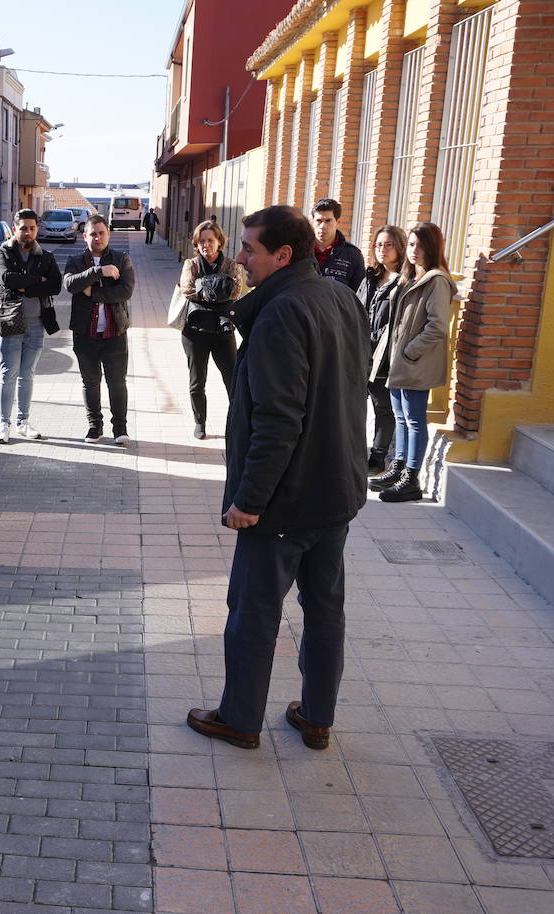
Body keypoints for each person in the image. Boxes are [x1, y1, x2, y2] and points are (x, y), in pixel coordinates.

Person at [186, 205, 369, 752]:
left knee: (252, 613)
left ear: (283, 255)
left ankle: (240, 719)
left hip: (285, 502)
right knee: (325, 610)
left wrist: (249, 499)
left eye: (249, 249)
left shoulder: (280, 313)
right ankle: (317, 718)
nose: (240, 257)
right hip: (335, 491)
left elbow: (277, 419)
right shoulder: (340, 297)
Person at [370, 221, 454, 503]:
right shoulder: (410, 277)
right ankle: (399, 467)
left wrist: (409, 352)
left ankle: (411, 479)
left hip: (413, 362)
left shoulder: (436, 280)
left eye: (420, 245)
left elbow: (438, 326)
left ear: (432, 247)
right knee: (401, 418)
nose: (413, 250)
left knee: (415, 420)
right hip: (399, 361)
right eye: (412, 244)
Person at [0, 209, 63, 444]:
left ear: (37, 229)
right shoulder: (2, 252)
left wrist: (26, 286)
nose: (28, 232)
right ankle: (4, 424)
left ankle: (23, 422)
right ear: (15, 228)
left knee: (27, 374)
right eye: (23, 227)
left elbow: (55, 285)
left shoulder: (45, 256)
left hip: (37, 323)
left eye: (32, 228)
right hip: (11, 321)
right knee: (8, 373)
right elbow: (6, 279)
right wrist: (37, 281)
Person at [64, 214, 136, 446]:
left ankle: (120, 429)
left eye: (101, 232)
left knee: (117, 382)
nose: (97, 237)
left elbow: (125, 291)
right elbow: (70, 284)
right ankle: (95, 426)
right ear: (84, 236)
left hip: (115, 333)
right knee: (90, 382)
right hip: (85, 334)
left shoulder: (122, 259)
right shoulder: (75, 261)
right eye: (92, 233)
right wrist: (99, 272)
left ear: (108, 234)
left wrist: (92, 293)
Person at [176, 220, 245, 440]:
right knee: (197, 382)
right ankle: (200, 422)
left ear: (219, 242)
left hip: (223, 331)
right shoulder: (191, 264)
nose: (206, 245)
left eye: (210, 240)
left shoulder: (231, 264)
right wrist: (218, 287)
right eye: (202, 241)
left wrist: (204, 287)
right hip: (195, 331)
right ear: (197, 243)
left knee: (233, 380)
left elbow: (235, 290)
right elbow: (187, 290)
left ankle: (237, 423)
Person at [357, 226, 408, 475]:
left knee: (382, 407)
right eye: (378, 244)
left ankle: (377, 458)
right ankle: (352, 452)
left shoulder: (405, 280)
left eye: (388, 244)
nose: (382, 249)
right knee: (352, 404)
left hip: (383, 355)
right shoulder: (369, 277)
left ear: (399, 247)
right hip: (359, 351)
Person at [311, 198, 364, 291]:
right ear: (312, 222)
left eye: (328, 221)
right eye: (319, 221)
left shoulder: (353, 255)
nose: (323, 226)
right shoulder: (299, 251)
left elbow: (357, 295)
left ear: (338, 222)